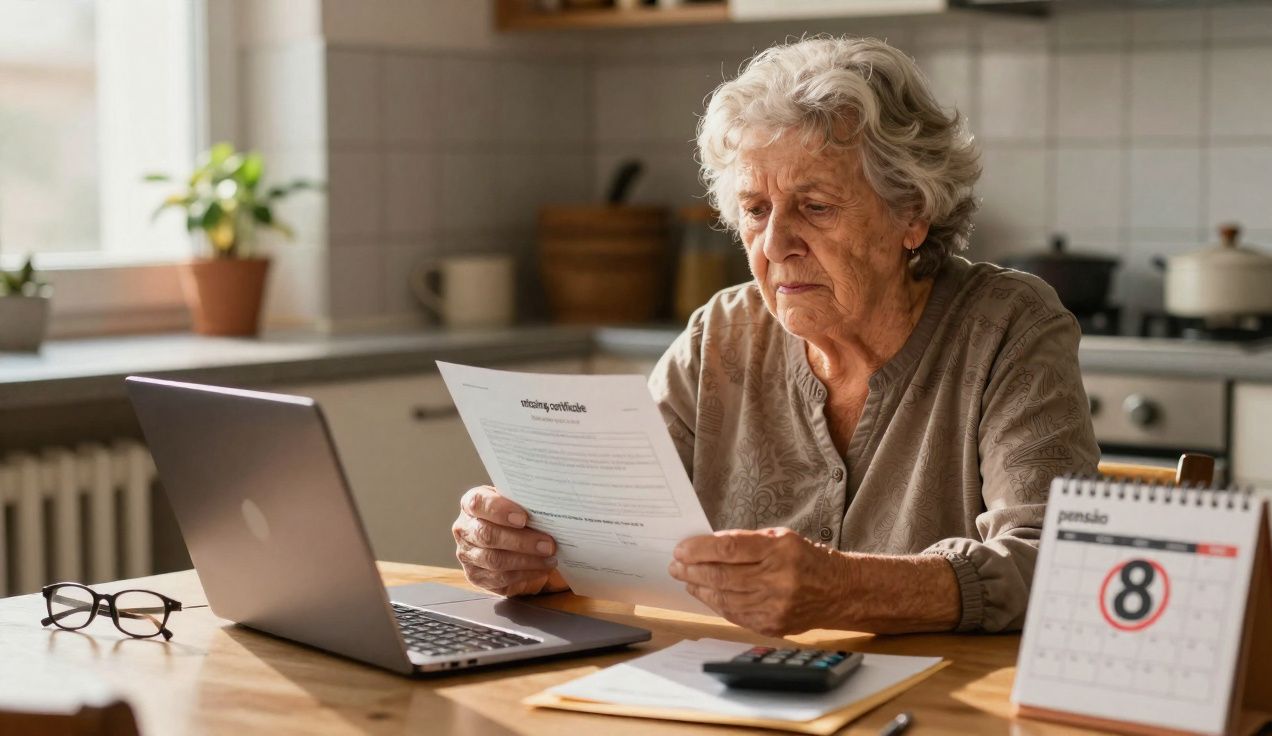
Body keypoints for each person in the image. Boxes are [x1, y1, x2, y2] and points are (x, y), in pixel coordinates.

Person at [451, 37, 1099, 636]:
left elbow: (1057, 563)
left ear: (914, 213)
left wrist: (849, 589)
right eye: (756, 211)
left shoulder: (1007, 328)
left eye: (815, 207)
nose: (775, 245)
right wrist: (530, 552)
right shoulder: (720, 336)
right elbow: (612, 537)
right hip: (735, 698)